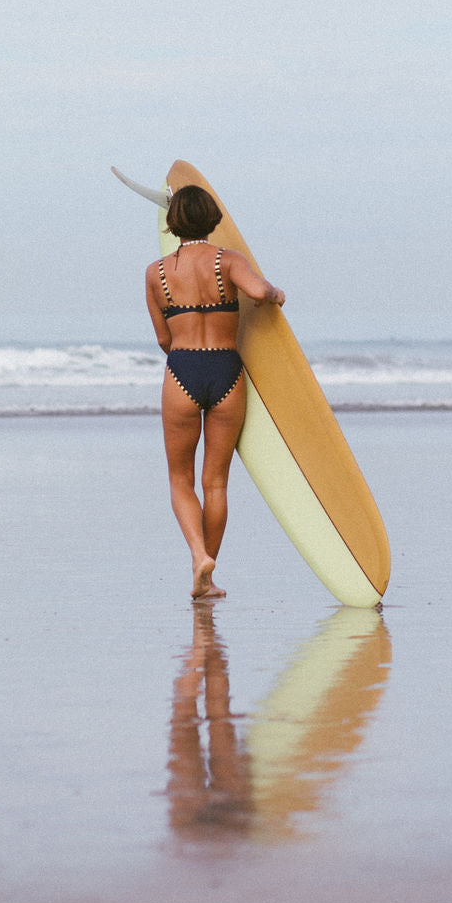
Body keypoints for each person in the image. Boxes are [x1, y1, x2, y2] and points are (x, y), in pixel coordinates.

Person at [146, 185, 285, 600]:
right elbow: (260, 292)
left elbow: (162, 339)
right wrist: (275, 294)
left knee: (179, 478)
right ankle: (208, 575)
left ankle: (197, 558)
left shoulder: (156, 273)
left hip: (184, 370)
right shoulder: (229, 261)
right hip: (226, 370)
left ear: (173, 223)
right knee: (216, 483)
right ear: (212, 217)